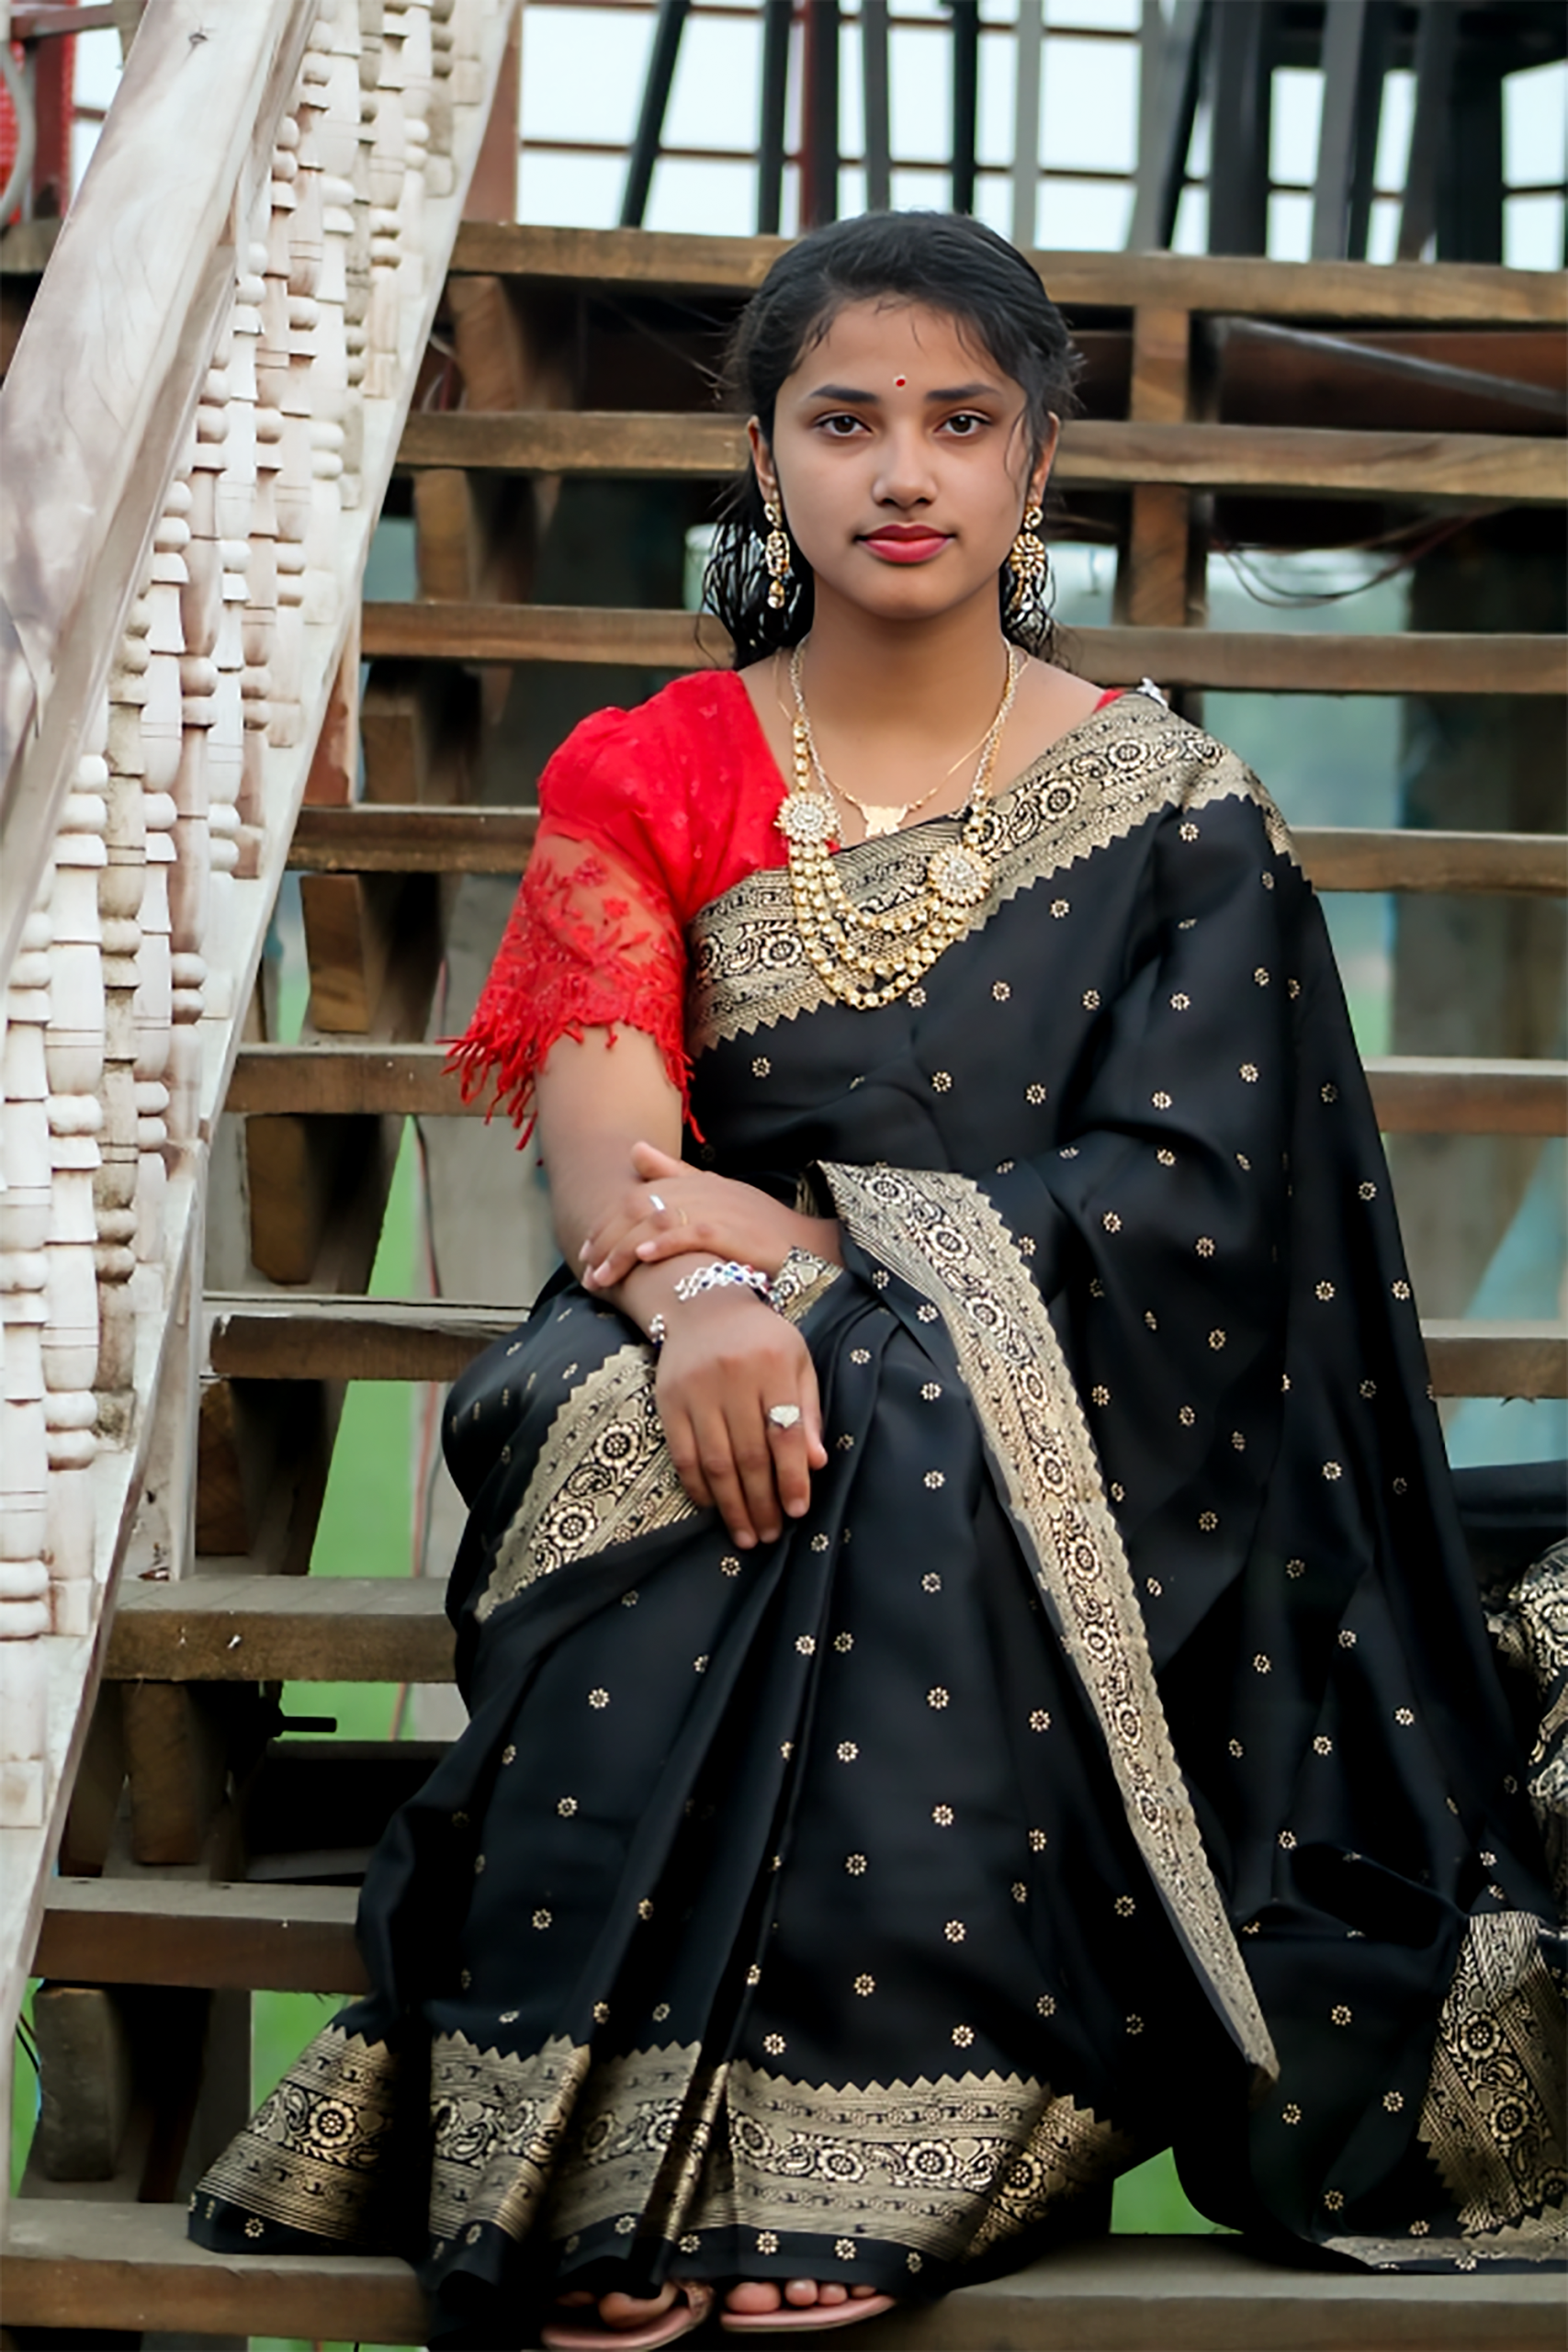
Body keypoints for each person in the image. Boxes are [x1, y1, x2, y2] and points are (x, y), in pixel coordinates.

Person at [189, 210, 1568, 2342]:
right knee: (615, 1420)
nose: (901, 472)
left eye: (958, 421)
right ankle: (583, 2135)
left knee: (905, 1412)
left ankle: (908, 2111)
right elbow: (612, 1143)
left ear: (1036, 465)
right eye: (843, 422)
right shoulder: (648, 766)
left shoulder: (1182, 814)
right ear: (763, 460)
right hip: (680, 1305)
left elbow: (1202, 1206)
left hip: (1075, 1383)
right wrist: (709, 1300)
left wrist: (834, 1252)